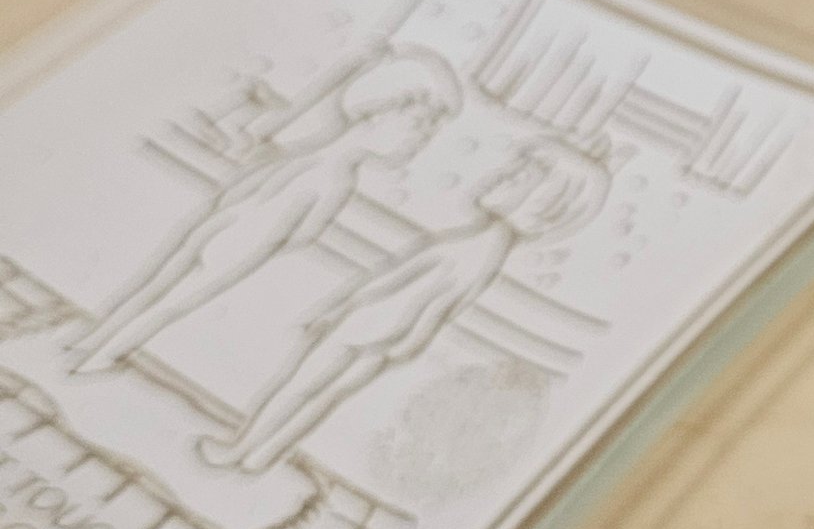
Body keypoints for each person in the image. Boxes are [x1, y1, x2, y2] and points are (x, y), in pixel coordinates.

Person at [201, 137, 611, 476]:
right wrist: (404, 341)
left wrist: (344, 310)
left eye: (520, 176)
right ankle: (261, 454)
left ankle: (240, 448)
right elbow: (438, 303)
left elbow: (407, 286)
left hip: (369, 326)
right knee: (322, 394)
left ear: (541, 199)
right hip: (385, 334)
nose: (502, 175)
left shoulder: (474, 245)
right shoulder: (485, 249)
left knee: (301, 386)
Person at [66, 49, 463, 376]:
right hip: (246, 242)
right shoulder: (335, 176)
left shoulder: (314, 151)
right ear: (380, 115)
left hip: (229, 224)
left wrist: (229, 215)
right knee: (173, 300)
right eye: (416, 128)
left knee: (158, 286)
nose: (416, 143)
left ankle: (93, 342)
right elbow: (302, 231)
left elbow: (252, 186)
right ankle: (101, 352)